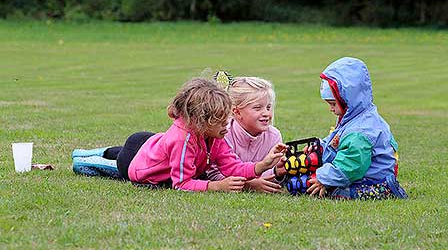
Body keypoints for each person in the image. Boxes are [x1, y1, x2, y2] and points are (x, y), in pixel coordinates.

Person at [73, 78, 287, 192]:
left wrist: (264, 164)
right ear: (204, 122)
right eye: (222, 121)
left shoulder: (215, 135)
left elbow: (231, 166)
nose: (228, 125)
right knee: (112, 165)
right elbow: (182, 184)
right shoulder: (183, 139)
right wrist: (215, 186)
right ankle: (83, 158)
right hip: (137, 166)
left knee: (124, 149)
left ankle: (92, 153)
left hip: (150, 144)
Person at [306, 57, 407, 199]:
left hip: (376, 182)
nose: (331, 109)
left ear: (347, 98)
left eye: (333, 103)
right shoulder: (353, 117)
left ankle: (389, 191)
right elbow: (336, 140)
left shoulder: (360, 131)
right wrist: (320, 148)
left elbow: (351, 165)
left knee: (337, 193)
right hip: (365, 176)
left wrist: (323, 179)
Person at [206, 77, 287, 193]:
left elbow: (268, 171)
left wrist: (276, 172)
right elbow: (213, 172)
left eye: (268, 107)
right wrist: (247, 185)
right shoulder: (223, 134)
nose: (266, 113)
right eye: (257, 108)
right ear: (237, 112)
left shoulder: (274, 136)